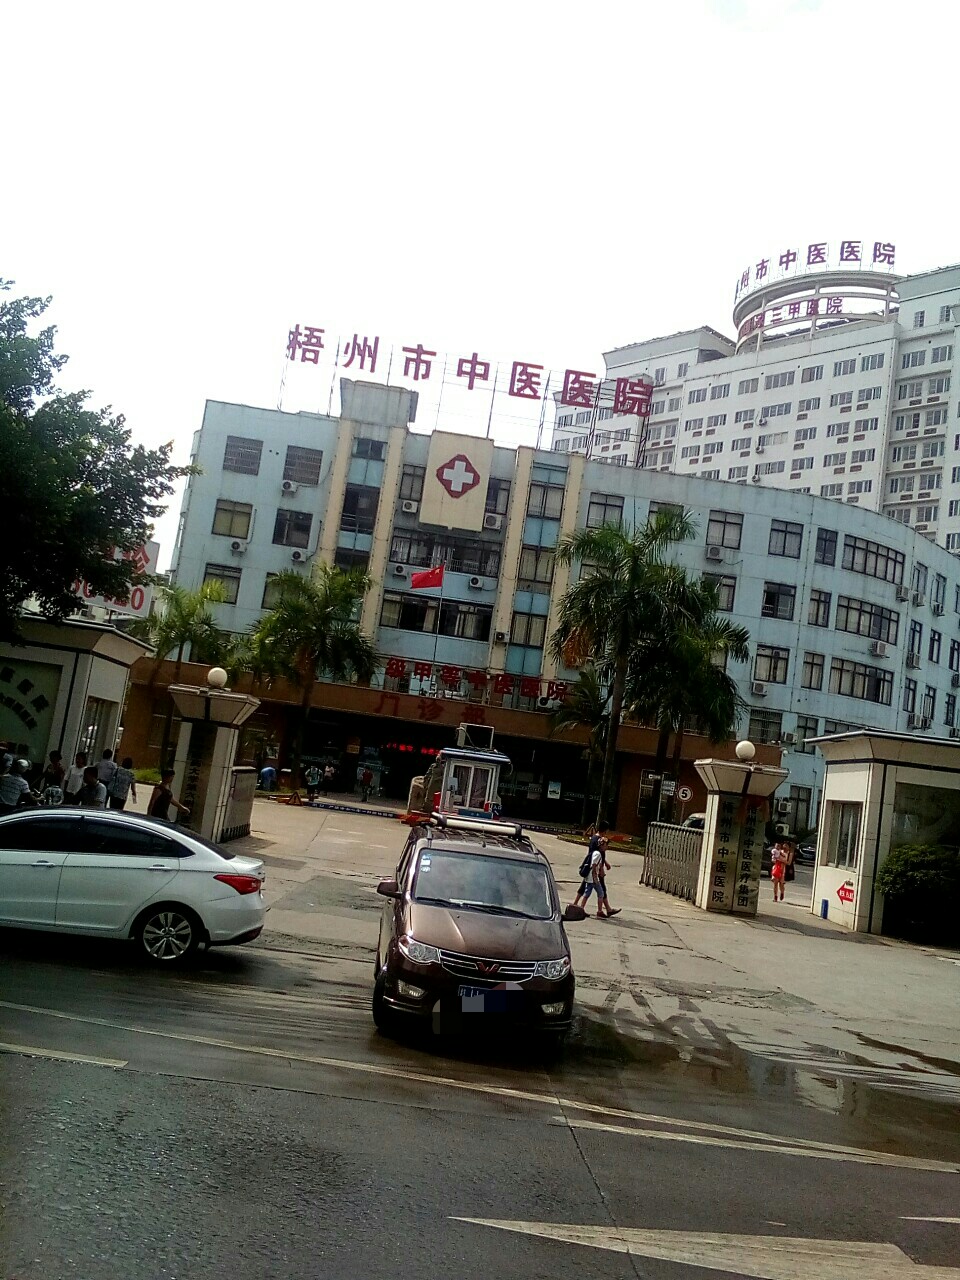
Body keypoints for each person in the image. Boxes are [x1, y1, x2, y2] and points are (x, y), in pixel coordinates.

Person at [770, 836, 792, 902]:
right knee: (775, 883)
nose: (784, 846)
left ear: (789, 847)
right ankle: (775, 896)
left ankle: (782, 893)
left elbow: (788, 863)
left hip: (783, 870)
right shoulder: (779, 851)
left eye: (786, 845)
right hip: (776, 868)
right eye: (784, 845)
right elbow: (773, 858)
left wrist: (782, 860)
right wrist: (775, 859)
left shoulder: (789, 854)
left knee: (781, 884)